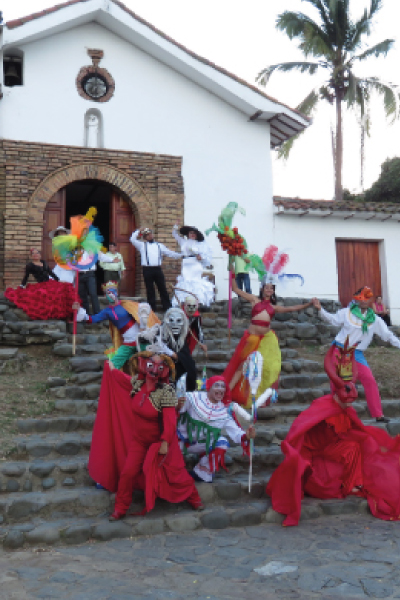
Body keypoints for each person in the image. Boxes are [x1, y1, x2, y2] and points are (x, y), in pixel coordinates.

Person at [266, 338, 400, 526]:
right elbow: (301, 427)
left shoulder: (346, 409)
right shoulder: (322, 406)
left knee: (358, 444)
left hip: (332, 446)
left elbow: (354, 428)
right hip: (314, 451)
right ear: (337, 394)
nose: (350, 404)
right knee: (349, 448)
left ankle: (354, 483)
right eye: (347, 400)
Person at [87, 352, 204, 520]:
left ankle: (195, 499)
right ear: (145, 365)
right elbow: (122, 379)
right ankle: (120, 508)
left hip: (161, 440)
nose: (155, 369)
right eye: (152, 364)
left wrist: (164, 442)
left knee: (175, 472)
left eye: (159, 366)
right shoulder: (137, 384)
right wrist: (110, 368)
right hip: (139, 441)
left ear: (164, 370)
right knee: (128, 473)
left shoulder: (166, 392)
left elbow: (170, 419)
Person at [224, 273, 315, 408]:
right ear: (262, 289)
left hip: (266, 339)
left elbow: (291, 308)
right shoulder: (254, 300)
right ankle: (227, 394)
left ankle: (256, 394)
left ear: (273, 291)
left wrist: (308, 304)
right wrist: (232, 274)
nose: (269, 290)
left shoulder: (274, 307)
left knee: (266, 366)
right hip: (252, 338)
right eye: (267, 288)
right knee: (242, 366)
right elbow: (236, 290)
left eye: (271, 288)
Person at [314, 286, 400, 422]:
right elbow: (332, 320)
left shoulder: (375, 319)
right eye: (362, 297)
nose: (364, 300)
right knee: (336, 382)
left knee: (369, 380)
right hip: (339, 350)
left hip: (357, 354)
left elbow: (388, 335)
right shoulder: (347, 312)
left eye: (367, 297)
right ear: (357, 299)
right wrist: (320, 309)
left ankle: (378, 414)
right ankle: (335, 414)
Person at [177, 375, 255, 482]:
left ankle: (201, 472)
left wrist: (247, 436)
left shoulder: (224, 411)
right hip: (180, 441)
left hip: (201, 444)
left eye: (223, 386)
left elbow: (236, 433)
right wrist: (178, 405)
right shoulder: (193, 397)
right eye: (217, 385)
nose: (220, 389)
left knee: (222, 443)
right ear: (209, 387)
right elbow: (177, 411)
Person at [73, 281, 159, 370]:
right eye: (108, 292)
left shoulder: (127, 304)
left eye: (112, 291)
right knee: (111, 365)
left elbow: (143, 311)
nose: (110, 294)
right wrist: (79, 309)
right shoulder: (107, 312)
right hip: (128, 343)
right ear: (105, 295)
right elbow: (91, 319)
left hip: (142, 340)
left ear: (117, 292)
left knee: (153, 362)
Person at [4, 248, 76, 320]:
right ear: (31, 256)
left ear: (40, 255)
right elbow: (26, 277)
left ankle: (70, 315)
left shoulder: (44, 262)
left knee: (65, 288)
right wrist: (21, 286)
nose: (35, 255)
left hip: (49, 283)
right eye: (33, 253)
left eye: (37, 253)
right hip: (41, 285)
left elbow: (51, 273)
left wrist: (58, 280)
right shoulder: (30, 265)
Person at [130, 227, 182, 312]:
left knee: (162, 288)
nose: (150, 236)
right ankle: (152, 308)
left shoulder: (159, 245)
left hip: (157, 269)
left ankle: (167, 307)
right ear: (144, 237)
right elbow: (132, 239)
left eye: (150, 234)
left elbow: (169, 253)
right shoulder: (142, 245)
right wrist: (138, 231)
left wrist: (180, 255)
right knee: (150, 289)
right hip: (147, 269)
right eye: (147, 235)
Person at [172, 224, 214, 306]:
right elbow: (174, 234)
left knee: (195, 282)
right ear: (188, 234)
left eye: (194, 233)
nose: (192, 234)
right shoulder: (183, 242)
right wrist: (176, 226)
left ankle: (198, 301)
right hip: (186, 264)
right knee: (186, 281)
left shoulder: (200, 244)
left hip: (195, 265)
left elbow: (205, 257)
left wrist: (200, 257)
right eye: (191, 233)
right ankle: (184, 301)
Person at [78, 248, 118, 315]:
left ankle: (97, 314)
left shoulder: (92, 248)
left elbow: (101, 256)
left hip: (90, 274)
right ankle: (86, 315)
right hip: (79, 274)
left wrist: (112, 260)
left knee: (93, 293)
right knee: (82, 296)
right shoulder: (75, 250)